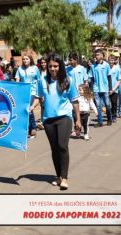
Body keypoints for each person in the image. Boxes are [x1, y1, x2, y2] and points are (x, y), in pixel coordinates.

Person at [31, 53, 81, 190]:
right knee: (54, 149)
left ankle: (64, 178)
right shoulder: (43, 80)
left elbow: (75, 101)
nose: (53, 69)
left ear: (61, 66)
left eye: (56, 66)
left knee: (62, 146)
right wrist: (31, 106)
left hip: (64, 117)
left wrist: (78, 120)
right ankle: (58, 176)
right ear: (47, 67)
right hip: (48, 120)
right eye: (50, 66)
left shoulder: (67, 80)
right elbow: (38, 96)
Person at [15, 54, 41, 138]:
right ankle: (29, 128)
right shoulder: (20, 69)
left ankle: (32, 128)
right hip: (23, 91)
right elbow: (17, 80)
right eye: (23, 59)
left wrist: (40, 92)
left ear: (30, 60)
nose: (25, 60)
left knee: (29, 108)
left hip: (33, 91)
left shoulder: (35, 68)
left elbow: (39, 80)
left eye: (27, 59)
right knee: (25, 109)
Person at [89, 49, 112, 127]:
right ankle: (100, 122)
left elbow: (109, 76)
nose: (96, 56)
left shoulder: (106, 65)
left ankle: (109, 119)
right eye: (96, 54)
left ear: (102, 55)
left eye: (98, 54)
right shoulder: (92, 66)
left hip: (105, 88)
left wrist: (110, 88)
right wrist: (91, 89)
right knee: (98, 106)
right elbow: (91, 78)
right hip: (96, 88)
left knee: (107, 105)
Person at [108, 54, 121, 122]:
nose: (111, 62)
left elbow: (119, 80)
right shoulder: (106, 68)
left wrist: (113, 89)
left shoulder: (117, 68)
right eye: (110, 60)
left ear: (114, 61)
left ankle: (114, 116)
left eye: (112, 60)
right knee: (107, 104)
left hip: (114, 90)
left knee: (114, 104)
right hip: (107, 89)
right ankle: (109, 116)